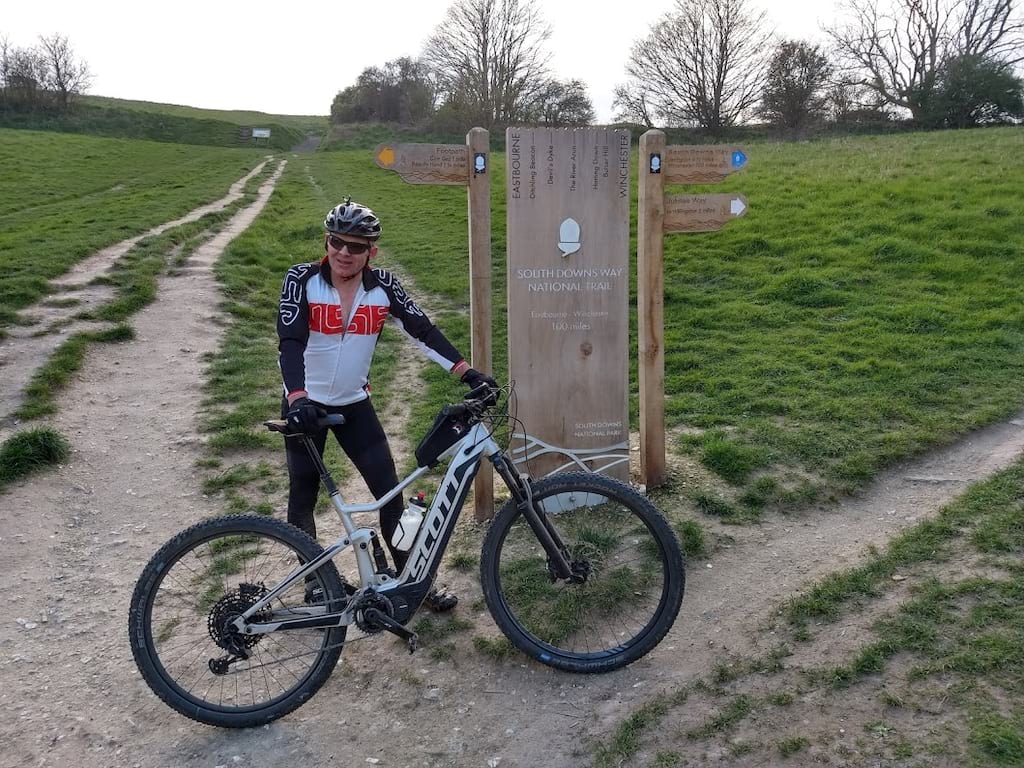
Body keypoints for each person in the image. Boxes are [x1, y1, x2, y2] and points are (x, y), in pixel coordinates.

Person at [277, 198, 495, 612]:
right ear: (326, 242)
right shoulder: (301, 280)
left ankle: (409, 581)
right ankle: (314, 584)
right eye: (336, 242)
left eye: (356, 246)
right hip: (304, 405)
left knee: (389, 493)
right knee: (302, 496)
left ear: (371, 251)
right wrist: (297, 397)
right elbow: (289, 342)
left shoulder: (383, 288)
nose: (344, 252)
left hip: (354, 405)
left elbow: (422, 331)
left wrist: (467, 372)